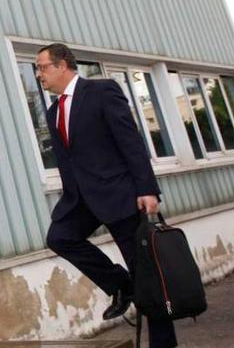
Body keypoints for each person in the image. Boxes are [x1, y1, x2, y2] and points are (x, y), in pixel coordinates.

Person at [36, 43, 177, 348]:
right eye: (37, 69)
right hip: (81, 199)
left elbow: (130, 141)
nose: (39, 75)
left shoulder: (101, 92)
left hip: (119, 194)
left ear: (62, 66)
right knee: (60, 238)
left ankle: (163, 342)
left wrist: (147, 188)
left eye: (43, 67)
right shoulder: (52, 110)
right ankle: (121, 284)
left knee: (145, 272)